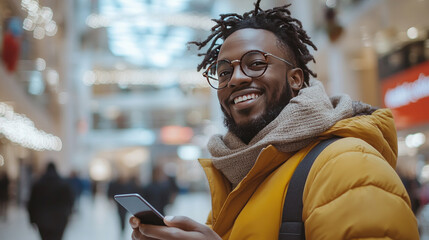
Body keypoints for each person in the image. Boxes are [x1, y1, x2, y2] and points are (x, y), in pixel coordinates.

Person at [129, 1, 419, 239]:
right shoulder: (240, 177)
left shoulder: (349, 165)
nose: (236, 79)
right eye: (224, 72)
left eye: (255, 64)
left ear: (295, 79)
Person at [27, 162, 75, 240]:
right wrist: (68, 215)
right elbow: (70, 202)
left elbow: (31, 204)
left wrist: (32, 220)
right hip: (60, 220)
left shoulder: (38, 184)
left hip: (42, 220)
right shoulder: (64, 184)